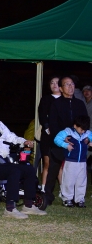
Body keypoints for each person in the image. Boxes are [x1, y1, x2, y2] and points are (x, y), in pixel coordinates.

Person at [0, 101, 45, 215]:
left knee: (29, 169)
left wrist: (24, 142)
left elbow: (11, 137)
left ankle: (29, 204)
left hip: (5, 159)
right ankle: (10, 207)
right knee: (14, 170)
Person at [43, 76, 88, 208]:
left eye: (72, 84)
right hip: (60, 140)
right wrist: (62, 137)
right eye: (67, 84)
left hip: (76, 143)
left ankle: (77, 198)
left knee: (77, 172)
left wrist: (85, 136)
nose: (70, 87)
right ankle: (48, 196)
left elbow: (85, 122)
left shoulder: (79, 103)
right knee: (53, 168)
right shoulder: (56, 104)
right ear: (61, 88)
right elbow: (53, 122)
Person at [53, 115, 91, 208]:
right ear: (75, 126)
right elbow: (56, 139)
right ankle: (67, 199)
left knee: (81, 181)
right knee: (69, 180)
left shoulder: (87, 133)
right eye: (81, 129)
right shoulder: (68, 132)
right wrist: (66, 145)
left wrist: (89, 140)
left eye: (84, 130)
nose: (83, 132)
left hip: (82, 162)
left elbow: (90, 137)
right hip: (71, 162)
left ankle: (80, 200)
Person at [37, 76, 62, 188]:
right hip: (48, 135)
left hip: (63, 136)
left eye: (57, 82)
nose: (54, 85)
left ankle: (63, 190)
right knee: (47, 163)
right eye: (52, 82)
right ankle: (43, 187)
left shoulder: (66, 100)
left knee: (60, 165)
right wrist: (47, 128)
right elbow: (42, 115)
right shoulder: (45, 99)